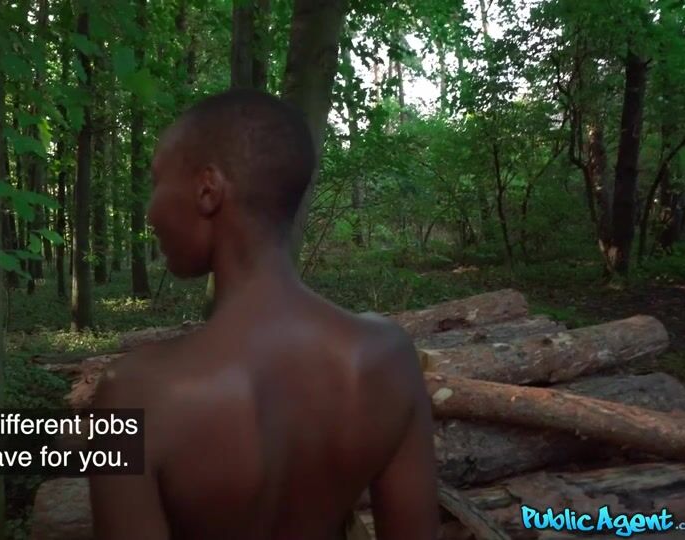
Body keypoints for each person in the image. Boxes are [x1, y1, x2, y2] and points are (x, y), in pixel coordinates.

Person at [90, 88, 439, 539]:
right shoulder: (389, 358)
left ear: (207, 189)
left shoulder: (133, 393)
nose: (150, 212)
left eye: (158, 182)